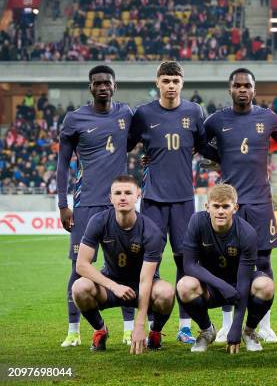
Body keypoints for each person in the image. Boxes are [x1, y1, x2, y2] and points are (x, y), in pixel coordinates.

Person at [128, 61, 218, 345]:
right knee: (146, 263)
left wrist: (233, 154)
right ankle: (138, 324)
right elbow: (125, 144)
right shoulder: (143, 114)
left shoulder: (194, 111)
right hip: (153, 200)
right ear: (158, 82)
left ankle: (184, 326)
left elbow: (203, 145)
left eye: (175, 81)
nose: (170, 86)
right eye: (165, 80)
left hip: (183, 201)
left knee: (185, 262)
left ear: (182, 83)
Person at [204, 68, 277, 343]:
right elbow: (196, 144)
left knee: (263, 261)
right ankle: (227, 324)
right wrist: (219, 156)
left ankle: (262, 325)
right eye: (237, 85)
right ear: (230, 89)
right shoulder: (216, 120)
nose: (242, 90)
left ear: (254, 90)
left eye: (247, 86)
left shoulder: (267, 118)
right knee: (225, 263)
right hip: (228, 203)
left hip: (259, 202)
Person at [57, 65, 136, 347]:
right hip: (86, 204)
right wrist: (63, 204)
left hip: (120, 205)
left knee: (126, 266)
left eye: (107, 82)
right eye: (97, 83)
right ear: (91, 87)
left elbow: (142, 139)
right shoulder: (75, 119)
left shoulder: (126, 114)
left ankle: (129, 329)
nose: (103, 86)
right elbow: (63, 164)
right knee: (79, 268)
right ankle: (73, 330)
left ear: (115, 86)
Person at [71, 175, 175, 353]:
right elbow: (81, 265)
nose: (123, 197)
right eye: (117, 193)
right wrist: (114, 286)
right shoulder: (98, 221)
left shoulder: (151, 231)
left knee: (166, 292)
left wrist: (139, 325)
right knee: (79, 287)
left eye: (128, 192)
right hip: (110, 285)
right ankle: (100, 330)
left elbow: (146, 280)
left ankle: (155, 332)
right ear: (110, 198)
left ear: (138, 195)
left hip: (142, 286)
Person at [176, 184, 275, 353]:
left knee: (266, 286)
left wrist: (235, 328)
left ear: (235, 208)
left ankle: (249, 331)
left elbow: (244, 282)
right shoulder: (197, 222)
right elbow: (189, 265)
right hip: (211, 286)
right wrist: (221, 285)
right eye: (216, 206)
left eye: (226, 206)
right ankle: (207, 330)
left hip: (239, 285)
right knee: (184, 286)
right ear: (207, 207)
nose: (220, 211)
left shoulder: (247, 233)